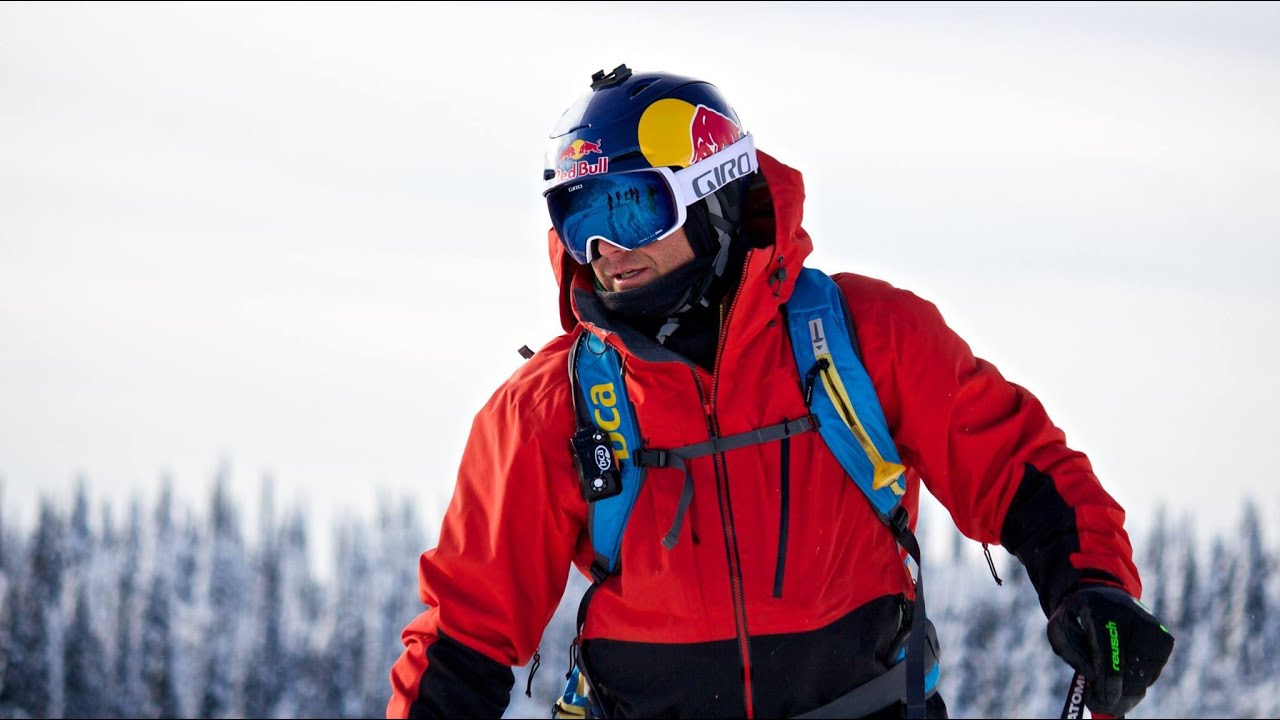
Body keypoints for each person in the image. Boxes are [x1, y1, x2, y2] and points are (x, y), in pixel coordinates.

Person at [387, 65, 1173, 720]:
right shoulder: (548, 408)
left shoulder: (864, 337)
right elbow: (464, 632)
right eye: (579, 216)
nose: (604, 251)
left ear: (712, 193)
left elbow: (1017, 467)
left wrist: (1091, 587)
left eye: (631, 208)